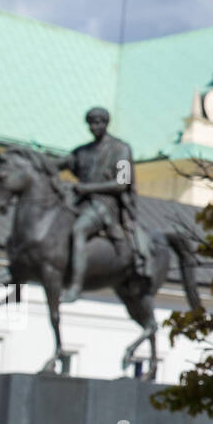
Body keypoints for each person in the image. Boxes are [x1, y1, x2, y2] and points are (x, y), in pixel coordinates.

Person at [55, 107, 144, 302]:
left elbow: (122, 183)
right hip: (81, 203)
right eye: (91, 123)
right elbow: (57, 164)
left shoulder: (121, 149)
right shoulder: (82, 152)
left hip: (106, 205)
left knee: (78, 230)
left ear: (106, 123)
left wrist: (86, 188)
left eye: (98, 122)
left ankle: (75, 287)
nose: (94, 126)